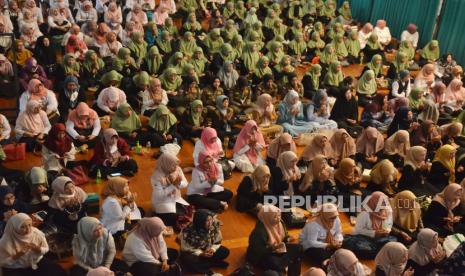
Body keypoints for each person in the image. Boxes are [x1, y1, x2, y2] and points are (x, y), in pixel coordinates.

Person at [0, 213, 66, 275]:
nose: (28, 229)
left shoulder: (36, 233)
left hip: (36, 261)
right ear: (15, 227)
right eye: (23, 227)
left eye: (29, 225)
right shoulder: (5, 241)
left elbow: (46, 249)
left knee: (58, 272)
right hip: (16, 266)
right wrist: (18, 255)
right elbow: (3, 262)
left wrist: (39, 249)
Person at [246, 204, 302, 275]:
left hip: (278, 248)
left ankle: (284, 266)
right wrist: (272, 248)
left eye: (279, 215)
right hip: (263, 255)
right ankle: (283, 265)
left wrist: (288, 238)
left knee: (299, 248)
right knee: (276, 263)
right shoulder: (259, 232)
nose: (278, 218)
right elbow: (258, 251)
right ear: (267, 217)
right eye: (275, 217)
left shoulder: (280, 222)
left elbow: (285, 236)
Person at [346, 191, 396, 259]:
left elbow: (389, 223)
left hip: (380, 238)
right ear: (374, 202)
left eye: (385, 202)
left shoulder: (387, 210)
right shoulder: (365, 213)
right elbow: (357, 230)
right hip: (365, 238)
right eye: (381, 203)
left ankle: (376, 251)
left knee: (394, 240)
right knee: (361, 246)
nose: (384, 205)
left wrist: (386, 230)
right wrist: (373, 233)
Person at [180, 209, 229, 274]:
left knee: (225, 251)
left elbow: (217, 241)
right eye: (207, 221)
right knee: (188, 260)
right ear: (200, 222)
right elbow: (186, 248)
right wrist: (201, 253)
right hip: (194, 252)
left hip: (207, 249)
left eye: (211, 219)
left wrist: (212, 249)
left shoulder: (214, 226)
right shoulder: (187, 231)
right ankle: (211, 265)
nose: (210, 223)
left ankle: (205, 265)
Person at [150, 153, 189, 228]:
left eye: (176, 165)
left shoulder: (177, 169)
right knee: (175, 218)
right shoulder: (156, 177)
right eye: (173, 165)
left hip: (175, 197)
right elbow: (160, 195)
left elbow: (185, 183)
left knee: (186, 214)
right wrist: (173, 185)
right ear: (166, 164)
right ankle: (157, 215)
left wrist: (178, 183)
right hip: (162, 201)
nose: (176, 167)